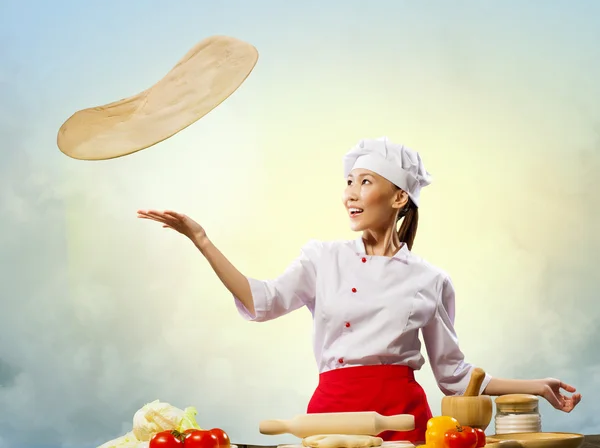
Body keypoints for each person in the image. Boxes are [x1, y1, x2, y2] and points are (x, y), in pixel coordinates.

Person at [137, 136, 581, 442]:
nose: (351, 193)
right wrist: (202, 240)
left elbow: (455, 376)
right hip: (332, 416)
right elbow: (262, 301)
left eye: (365, 182)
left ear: (399, 197)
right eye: (349, 182)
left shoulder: (430, 280)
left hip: (406, 422)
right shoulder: (322, 258)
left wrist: (537, 386)